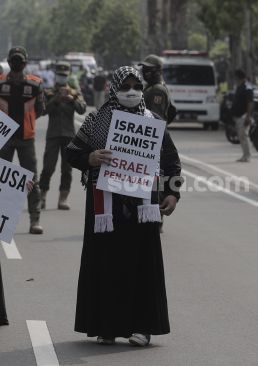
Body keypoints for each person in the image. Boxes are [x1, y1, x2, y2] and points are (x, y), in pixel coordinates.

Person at [65, 66, 182, 347]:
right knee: (107, 265)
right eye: (125, 86)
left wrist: (173, 194)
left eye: (136, 86)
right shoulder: (96, 120)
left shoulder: (152, 121)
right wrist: (91, 157)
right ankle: (107, 326)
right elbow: (72, 152)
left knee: (142, 266)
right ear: (113, 89)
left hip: (142, 209)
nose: (131, 92)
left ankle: (142, 327)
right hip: (106, 208)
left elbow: (171, 161)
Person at [0, 46, 46, 234]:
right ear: (8, 62)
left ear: (25, 63)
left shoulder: (35, 84)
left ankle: (35, 220)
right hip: (4, 139)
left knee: (32, 179)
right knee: (1, 179)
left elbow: (40, 108)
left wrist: (28, 121)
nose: (17, 64)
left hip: (26, 138)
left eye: (20, 61)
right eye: (14, 60)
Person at [40, 61, 86, 211]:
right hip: (53, 135)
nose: (62, 78)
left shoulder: (73, 92)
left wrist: (72, 99)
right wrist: (56, 100)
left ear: (68, 76)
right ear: (55, 75)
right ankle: (42, 196)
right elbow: (43, 110)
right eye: (60, 75)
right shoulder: (49, 92)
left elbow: (82, 109)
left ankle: (63, 198)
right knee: (48, 167)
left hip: (69, 135)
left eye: (64, 75)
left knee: (67, 168)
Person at [139, 55, 173, 123]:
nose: (145, 71)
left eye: (148, 69)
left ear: (158, 70)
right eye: (144, 68)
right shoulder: (150, 86)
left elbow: (155, 118)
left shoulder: (158, 90)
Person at [231, 69, 254, 163]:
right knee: (241, 136)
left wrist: (248, 116)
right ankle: (244, 155)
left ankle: (247, 156)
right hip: (238, 116)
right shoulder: (239, 87)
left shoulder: (247, 88)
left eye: (235, 77)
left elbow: (250, 103)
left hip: (244, 115)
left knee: (244, 135)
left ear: (239, 77)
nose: (235, 79)